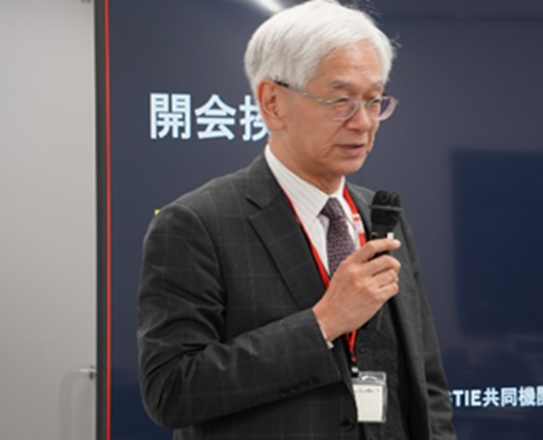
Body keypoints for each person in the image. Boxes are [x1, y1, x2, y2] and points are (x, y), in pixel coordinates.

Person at [137, 1, 457, 439]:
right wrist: (324, 322)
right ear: (272, 102)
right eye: (341, 100)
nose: (363, 123)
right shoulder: (196, 224)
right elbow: (171, 390)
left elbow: (426, 383)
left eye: (373, 100)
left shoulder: (381, 217)